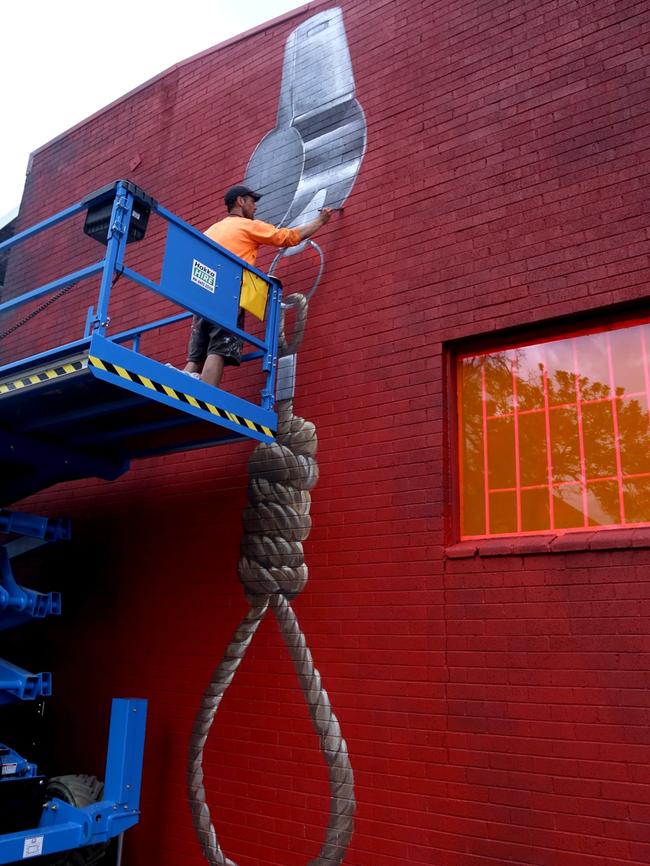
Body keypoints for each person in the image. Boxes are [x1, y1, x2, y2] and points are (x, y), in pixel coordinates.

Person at [183, 184, 333, 387]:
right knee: (219, 348)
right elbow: (288, 238)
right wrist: (320, 221)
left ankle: (183, 382)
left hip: (202, 294)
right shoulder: (247, 225)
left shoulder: (210, 230)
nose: (255, 208)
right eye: (252, 202)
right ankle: (207, 396)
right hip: (229, 295)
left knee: (197, 354)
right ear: (240, 201)